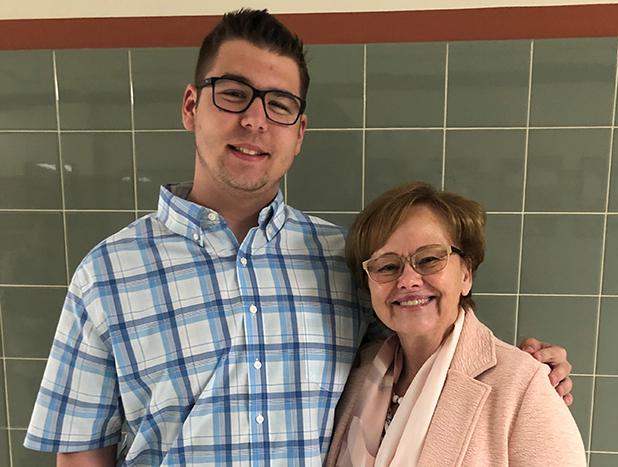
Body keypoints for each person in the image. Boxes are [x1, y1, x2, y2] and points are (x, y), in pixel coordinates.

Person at [24, 9, 573, 466]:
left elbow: (420, 346)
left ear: (299, 131)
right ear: (192, 106)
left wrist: (521, 374)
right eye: (233, 94)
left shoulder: (345, 260)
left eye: (279, 105)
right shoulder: (107, 274)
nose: (255, 121)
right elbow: (80, 454)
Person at [326, 182, 586, 466]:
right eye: (387, 266)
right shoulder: (357, 373)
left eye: (428, 259)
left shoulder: (523, 386)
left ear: (466, 274)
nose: (408, 280)